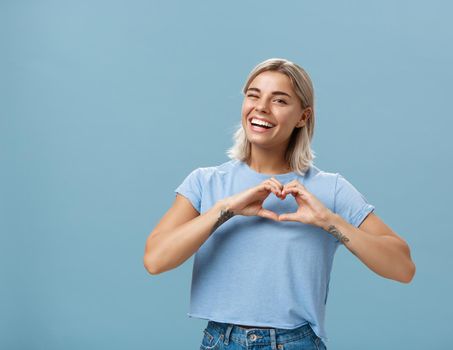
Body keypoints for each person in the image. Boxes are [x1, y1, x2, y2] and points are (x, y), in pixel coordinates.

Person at [143, 58, 416, 349]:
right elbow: (155, 260)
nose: (261, 107)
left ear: (303, 116)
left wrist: (329, 221)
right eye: (254, 95)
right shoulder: (206, 182)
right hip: (219, 342)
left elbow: (402, 268)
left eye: (280, 100)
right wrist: (226, 210)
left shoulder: (330, 189)